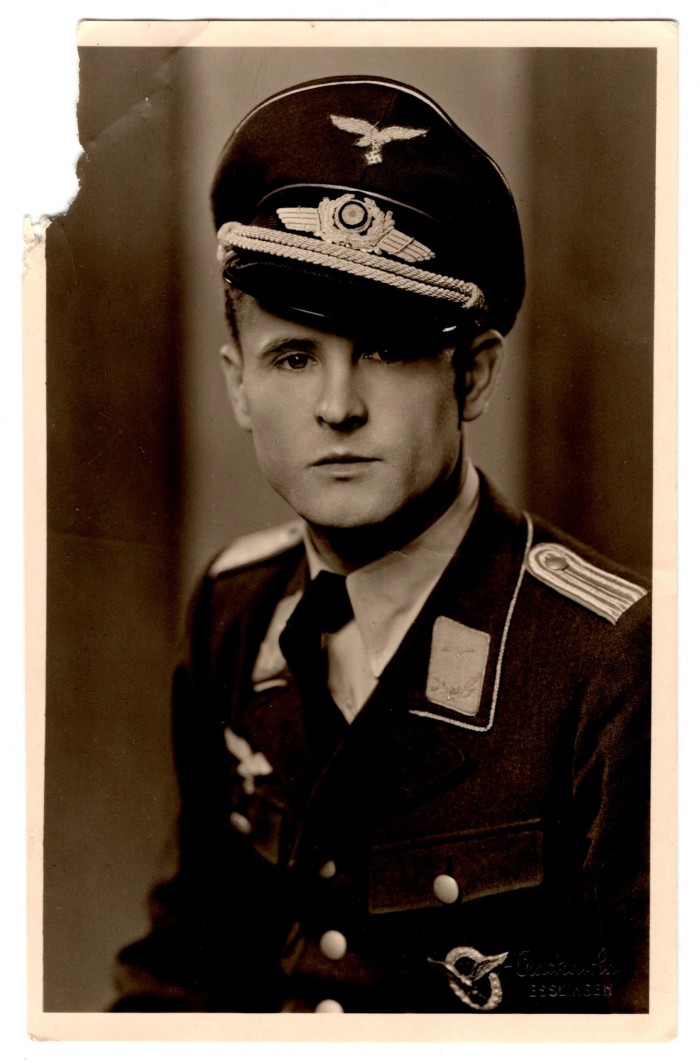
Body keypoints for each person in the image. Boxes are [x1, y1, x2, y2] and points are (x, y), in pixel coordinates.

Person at [112, 75, 650, 1015]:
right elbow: (183, 974)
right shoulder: (234, 608)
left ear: (473, 376)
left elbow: (648, 1017)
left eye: (388, 351)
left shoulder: (612, 659)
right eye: (292, 356)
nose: (338, 406)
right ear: (238, 386)